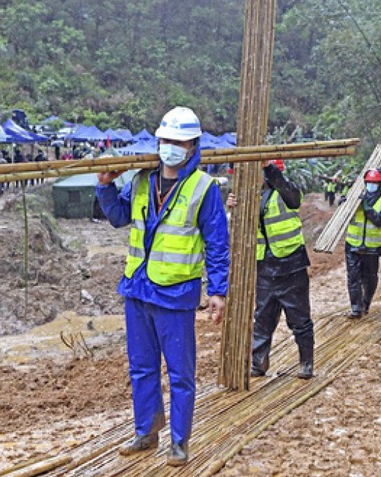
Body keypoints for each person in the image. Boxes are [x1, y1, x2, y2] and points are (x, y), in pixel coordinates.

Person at [95, 106, 229, 467]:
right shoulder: (141, 180)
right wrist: (105, 186)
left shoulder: (204, 188)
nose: (170, 147)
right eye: (165, 140)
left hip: (175, 294)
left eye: (178, 141)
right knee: (141, 367)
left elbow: (217, 243)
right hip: (138, 289)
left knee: (181, 373)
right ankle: (146, 432)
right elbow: (119, 217)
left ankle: (180, 442)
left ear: (192, 146)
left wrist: (218, 291)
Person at [226, 160, 314, 379]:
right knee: (263, 318)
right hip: (265, 266)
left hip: (291, 265)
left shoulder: (287, 191)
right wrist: (233, 210)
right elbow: (237, 232)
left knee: (299, 318)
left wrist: (268, 168)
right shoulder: (249, 197)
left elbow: (291, 195)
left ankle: (306, 363)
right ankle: (258, 362)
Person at [345, 168, 381, 318]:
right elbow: (344, 214)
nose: (372, 185)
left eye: (375, 183)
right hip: (353, 244)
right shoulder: (354, 199)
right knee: (353, 277)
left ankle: (365, 303)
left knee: (370, 278)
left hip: (372, 248)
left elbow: (380, 220)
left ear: (380, 184)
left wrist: (367, 209)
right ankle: (356, 308)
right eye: (369, 182)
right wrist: (343, 204)